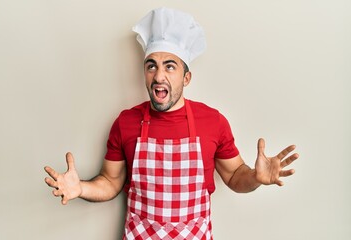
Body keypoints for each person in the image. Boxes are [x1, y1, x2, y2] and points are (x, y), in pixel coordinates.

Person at [44, 7, 299, 240]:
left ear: (186, 77)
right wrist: (81, 189)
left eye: (170, 67)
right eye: (151, 66)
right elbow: (111, 181)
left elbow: (233, 176)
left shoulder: (213, 121)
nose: (159, 75)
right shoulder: (126, 123)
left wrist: (255, 177)